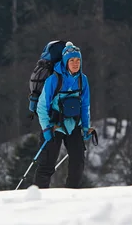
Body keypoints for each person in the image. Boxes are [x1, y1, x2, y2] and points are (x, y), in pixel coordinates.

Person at [34, 42, 94, 188]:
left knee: (78, 162)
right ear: (65, 62)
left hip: (74, 125)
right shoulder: (54, 79)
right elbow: (41, 106)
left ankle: (71, 193)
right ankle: (38, 195)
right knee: (47, 165)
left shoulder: (82, 79)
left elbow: (85, 106)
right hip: (54, 126)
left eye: (78, 60)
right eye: (72, 60)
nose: (75, 64)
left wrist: (86, 127)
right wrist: (46, 128)